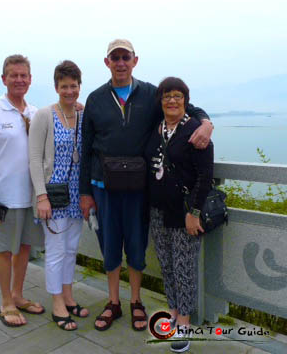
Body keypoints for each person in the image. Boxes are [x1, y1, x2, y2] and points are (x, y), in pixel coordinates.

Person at [79, 39, 213, 332]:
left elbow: (184, 104)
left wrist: (205, 122)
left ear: (135, 60)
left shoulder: (151, 93)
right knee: (110, 245)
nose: (121, 63)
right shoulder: (95, 99)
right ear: (107, 62)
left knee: (137, 246)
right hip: (103, 185)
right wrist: (85, 193)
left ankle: (135, 301)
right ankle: (113, 301)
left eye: (125, 57)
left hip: (140, 188)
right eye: (115, 58)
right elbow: (86, 145)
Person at [0, 54, 45, 328]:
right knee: (4, 250)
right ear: (4, 79)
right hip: (3, 197)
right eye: (13, 75)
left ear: (30, 80)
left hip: (31, 196)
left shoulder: (35, 113)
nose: (19, 80)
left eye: (23, 75)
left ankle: (18, 294)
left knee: (25, 248)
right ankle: (5, 302)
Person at [145, 77, 214, 352]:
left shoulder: (196, 130)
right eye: (166, 96)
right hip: (158, 210)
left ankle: (184, 324)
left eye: (177, 96)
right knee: (167, 265)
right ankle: (172, 312)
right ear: (160, 101)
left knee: (185, 268)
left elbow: (205, 176)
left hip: (185, 212)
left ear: (185, 100)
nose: (171, 100)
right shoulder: (157, 127)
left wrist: (194, 212)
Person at [29, 60, 89, 331]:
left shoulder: (83, 116)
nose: (69, 91)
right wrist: (41, 196)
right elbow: (33, 159)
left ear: (79, 86)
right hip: (53, 195)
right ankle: (57, 304)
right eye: (64, 86)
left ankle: (68, 296)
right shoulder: (44, 115)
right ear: (56, 87)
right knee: (54, 251)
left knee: (70, 250)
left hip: (77, 195)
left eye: (73, 86)